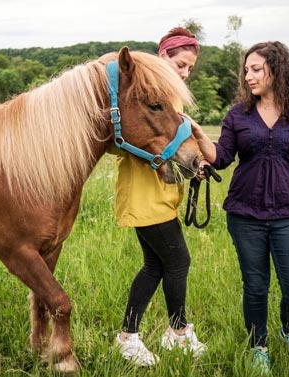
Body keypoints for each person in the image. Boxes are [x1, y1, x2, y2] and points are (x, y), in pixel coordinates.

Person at [191, 41, 289, 373]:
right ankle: (258, 345)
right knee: (255, 285)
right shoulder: (238, 114)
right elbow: (222, 157)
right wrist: (199, 137)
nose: (248, 75)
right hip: (244, 214)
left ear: (277, 69)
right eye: (246, 69)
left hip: (288, 215)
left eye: (256, 69)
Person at [113, 27, 207, 367]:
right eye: (179, 63)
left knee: (155, 265)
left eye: (189, 69)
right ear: (161, 56)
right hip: (145, 197)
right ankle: (176, 333)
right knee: (178, 262)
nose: (184, 73)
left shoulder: (172, 99)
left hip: (163, 197)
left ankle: (130, 336)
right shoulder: (145, 95)